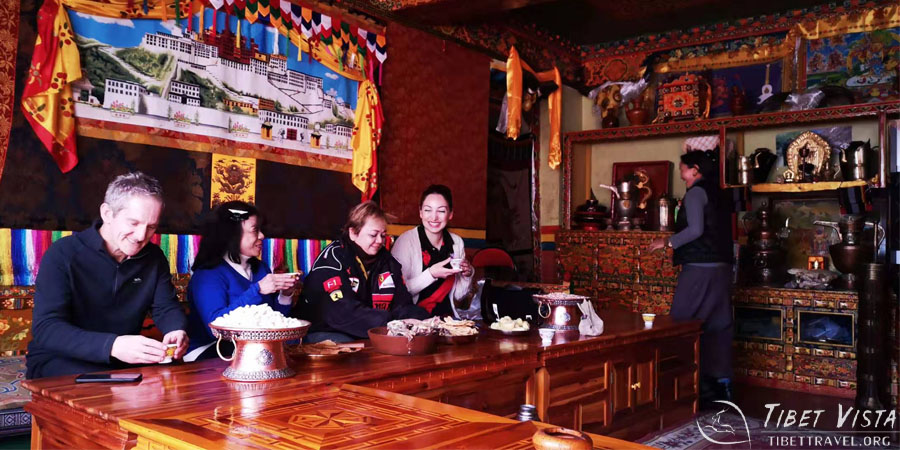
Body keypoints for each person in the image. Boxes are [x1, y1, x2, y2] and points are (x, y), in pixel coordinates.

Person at [26, 172, 189, 379]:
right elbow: (46, 328)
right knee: (115, 386)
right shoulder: (63, 254)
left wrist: (175, 330)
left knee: (175, 379)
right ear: (107, 213)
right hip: (60, 359)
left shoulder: (154, 258)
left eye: (151, 227)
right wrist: (112, 345)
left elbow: (166, 307)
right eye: (133, 223)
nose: (141, 236)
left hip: (121, 359)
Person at [648, 150, 734, 404]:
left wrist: (667, 242)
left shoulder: (696, 193)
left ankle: (681, 385)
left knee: (681, 321)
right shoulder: (719, 193)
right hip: (722, 268)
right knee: (719, 325)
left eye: (683, 168)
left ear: (695, 169)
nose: (681, 173)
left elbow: (696, 230)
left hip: (700, 268)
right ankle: (721, 385)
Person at [183, 201, 301, 361]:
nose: (262, 236)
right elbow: (215, 328)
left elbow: (274, 323)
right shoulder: (208, 274)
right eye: (255, 230)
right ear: (232, 234)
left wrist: (285, 295)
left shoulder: (261, 269)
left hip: (253, 347)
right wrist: (258, 290)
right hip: (210, 350)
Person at [301, 201, 429, 343]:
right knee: (351, 344)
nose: (380, 241)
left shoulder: (388, 262)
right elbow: (342, 313)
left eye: (383, 235)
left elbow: (403, 304)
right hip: (326, 330)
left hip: (374, 329)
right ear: (353, 233)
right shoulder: (332, 261)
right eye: (373, 235)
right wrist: (393, 322)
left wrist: (421, 319)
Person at [391, 185, 475, 318]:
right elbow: (397, 292)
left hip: (447, 319)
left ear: (450, 214)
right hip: (414, 319)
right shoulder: (406, 241)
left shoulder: (456, 242)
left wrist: (467, 275)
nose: (434, 217)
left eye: (441, 211)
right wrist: (431, 274)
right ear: (420, 212)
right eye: (428, 210)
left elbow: (459, 296)